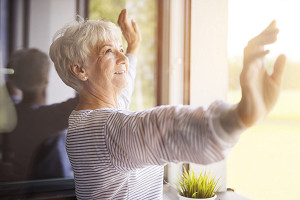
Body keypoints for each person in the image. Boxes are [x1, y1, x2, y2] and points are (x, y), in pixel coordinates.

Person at [49, 9, 286, 199]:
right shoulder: (104, 130)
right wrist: (239, 117)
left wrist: (131, 49)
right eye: (108, 51)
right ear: (80, 70)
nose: (122, 59)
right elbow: (161, 129)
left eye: (120, 49)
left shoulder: (85, 119)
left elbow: (123, 91)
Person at [3, 48, 79, 181]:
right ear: (45, 81)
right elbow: (81, 102)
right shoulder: (44, 119)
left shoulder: (15, 113)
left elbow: (11, 90)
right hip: (53, 192)